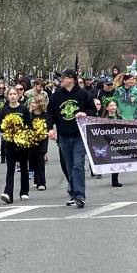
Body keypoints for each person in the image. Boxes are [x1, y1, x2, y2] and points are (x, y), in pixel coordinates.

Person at [47, 68, 96, 208]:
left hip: (80, 135)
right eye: (60, 77)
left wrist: (84, 113)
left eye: (64, 77)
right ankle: (74, 193)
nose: (61, 79)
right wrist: (50, 129)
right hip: (64, 135)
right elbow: (49, 114)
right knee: (69, 166)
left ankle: (80, 195)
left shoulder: (83, 94)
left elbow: (93, 110)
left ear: (72, 79)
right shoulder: (56, 96)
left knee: (78, 163)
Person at [0, 87, 31, 204]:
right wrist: (9, 132)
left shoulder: (23, 109)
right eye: (10, 94)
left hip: (22, 142)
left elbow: (28, 124)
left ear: (18, 96)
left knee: (23, 167)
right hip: (9, 143)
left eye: (14, 94)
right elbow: (1, 127)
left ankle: (24, 191)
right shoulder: (4, 110)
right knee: (10, 168)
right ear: (7, 96)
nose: (12, 96)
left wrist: (23, 135)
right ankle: (8, 193)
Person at [28, 94, 48, 191]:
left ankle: (42, 182)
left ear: (39, 103)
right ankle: (36, 180)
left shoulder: (45, 115)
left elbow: (48, 126)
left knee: (40, 159)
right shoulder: (30, 115)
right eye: (31, 103)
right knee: (33, 159)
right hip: (32, 140)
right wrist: (30, 112)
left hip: (42, 140)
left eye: (34, 103)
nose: (32, 104)